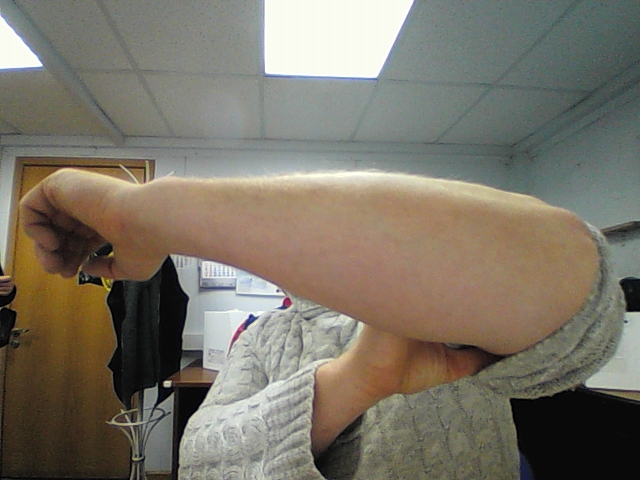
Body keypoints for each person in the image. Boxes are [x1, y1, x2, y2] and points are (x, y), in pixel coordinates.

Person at [19, 168, 624, 479]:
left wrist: (145, 212)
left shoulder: (442, 314)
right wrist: (357, 381)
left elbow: (583, 309)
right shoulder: (266, 335)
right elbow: (203, 461)